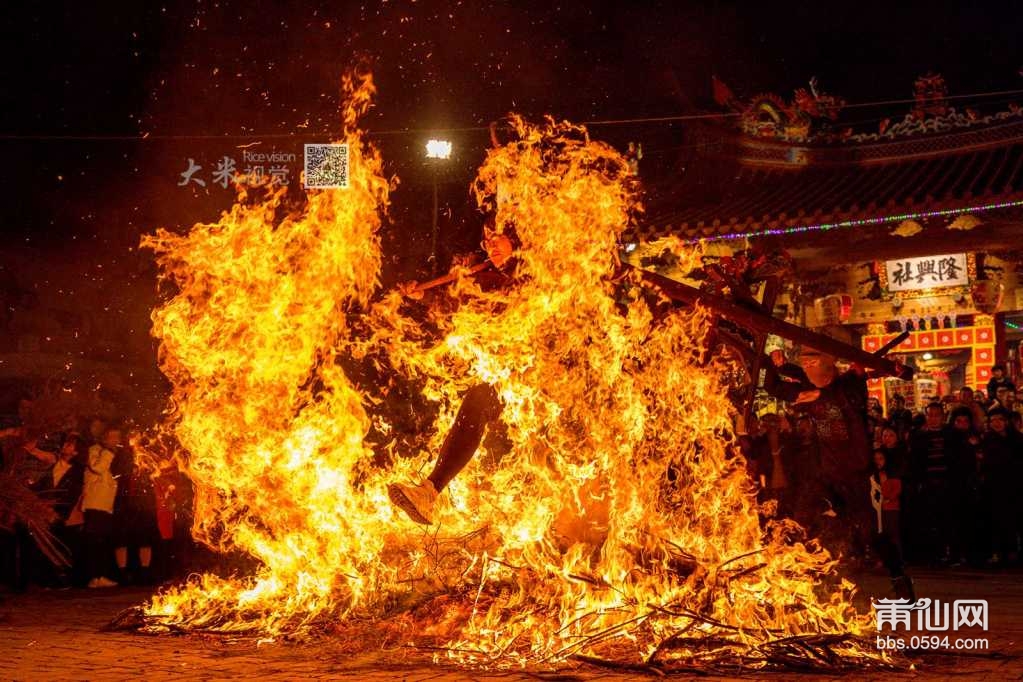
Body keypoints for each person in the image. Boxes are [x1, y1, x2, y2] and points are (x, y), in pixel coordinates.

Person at [30, 434, 85, 587]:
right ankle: (48, 578)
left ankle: (67, 579)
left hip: (65, 514)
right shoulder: (52, 465)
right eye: (66, 443)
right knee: (47, 545)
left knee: (64, 546)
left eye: (70, 445)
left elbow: (73, 493)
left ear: (76, 451)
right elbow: (42, 485)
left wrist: (60, 513)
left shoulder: (78, 470)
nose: (66, 446)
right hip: (46, 511)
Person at [908, 402, 954, 564]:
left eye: (937, 415)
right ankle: (932, 553)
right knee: (929, 519)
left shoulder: (951, 434)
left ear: (943, 416)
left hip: (947, 483)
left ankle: (947, 552)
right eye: (930, 415)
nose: (933, 418)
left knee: (947, 519)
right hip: (927, 484)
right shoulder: (918, 436)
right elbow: (914, 462)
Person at [869, 450, 914, 601]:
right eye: (875, 459)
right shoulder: (872, 476)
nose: (878, 461)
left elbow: (895, 489)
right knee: (882, 536)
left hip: (890, 508)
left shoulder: (892, 473)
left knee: (892, 536)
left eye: (881, 458)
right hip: (878, 510)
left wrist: (887, 498)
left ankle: (898, 566)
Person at [981, 407, 1023, 565]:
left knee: (1016, 519)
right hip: (995, 486)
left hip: (1016, 486)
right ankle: (1001, 551)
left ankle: (1014, 552)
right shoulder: (988, 440)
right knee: (999, 520)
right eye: (993, 421)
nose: (996, 423)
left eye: (999, 420)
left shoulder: (1017, 439)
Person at [81, 426, 122, 588]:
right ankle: (93, 576)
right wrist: (108, 452)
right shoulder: (95, 450)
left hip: (106, 503)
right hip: (94, 501)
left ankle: (100, 576)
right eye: (112, 436)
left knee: (102, 540)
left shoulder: (116, 453)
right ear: (104, 438)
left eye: (118, 436)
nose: (116, 440)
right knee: (94, 541)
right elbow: (97, 468)